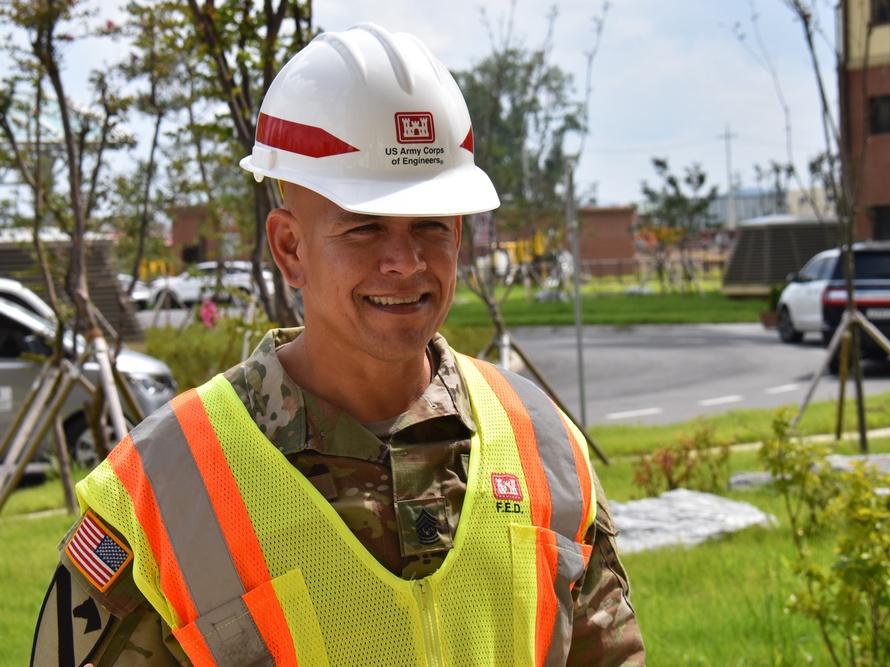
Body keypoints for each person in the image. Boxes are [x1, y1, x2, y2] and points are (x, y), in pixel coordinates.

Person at [31, 22, 645, 666]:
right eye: (364, 228)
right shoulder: (168, 483)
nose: (404, 261)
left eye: (432, 225)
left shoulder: (544, 446)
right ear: (289, 248)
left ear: (459, 237)